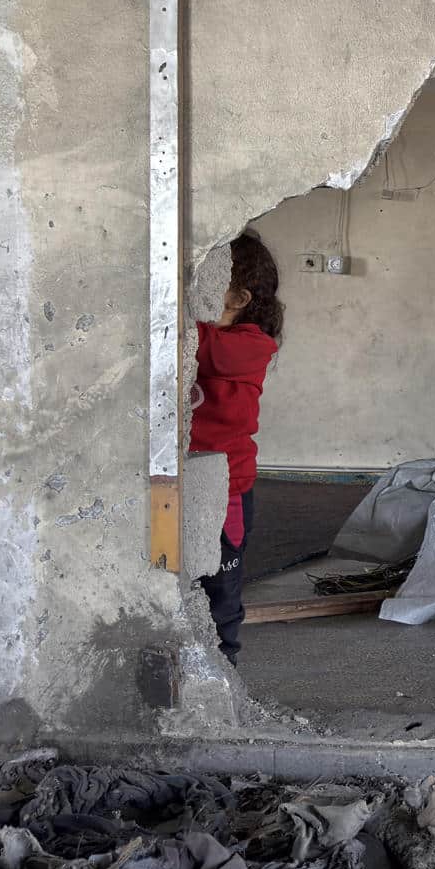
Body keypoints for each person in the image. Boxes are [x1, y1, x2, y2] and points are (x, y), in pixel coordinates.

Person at [189, 229, 283, 665]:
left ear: (240, 298)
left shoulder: (252, 345)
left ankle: (223, 663)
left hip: (227, 487)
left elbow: (205, 350)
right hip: (185, 477)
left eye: (207, 282)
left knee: (221, 586)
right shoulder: (217, 337)